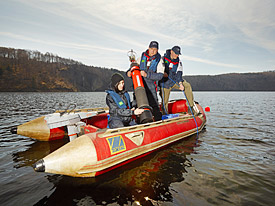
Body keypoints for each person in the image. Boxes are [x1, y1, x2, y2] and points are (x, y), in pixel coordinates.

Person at [127, 41, 164, 121]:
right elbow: (134, 67)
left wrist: (147, 75)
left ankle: (158, 121)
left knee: (154, 105)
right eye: (151, 49)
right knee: (136, 103)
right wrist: (129, 72)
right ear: (148, 48)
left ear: (157, 50)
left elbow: (160, 76)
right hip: (139, 86)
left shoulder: (159, 61)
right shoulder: (141, 57)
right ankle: (137, 121)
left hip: (151, 87)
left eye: (155, 49)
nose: (153, 51)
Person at [159, 46, 199, 115]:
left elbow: (179, 73)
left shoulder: (178, 61)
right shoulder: (162, 59)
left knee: (187, 85)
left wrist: (180, 83)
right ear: (171, 51)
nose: (177, 55)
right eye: (176, 53)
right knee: (164, 101)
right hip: (165, 83)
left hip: (174, 81)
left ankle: (190, 107)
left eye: (178, 54)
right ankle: (164, 114)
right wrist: (162, 73)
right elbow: (158, 70)